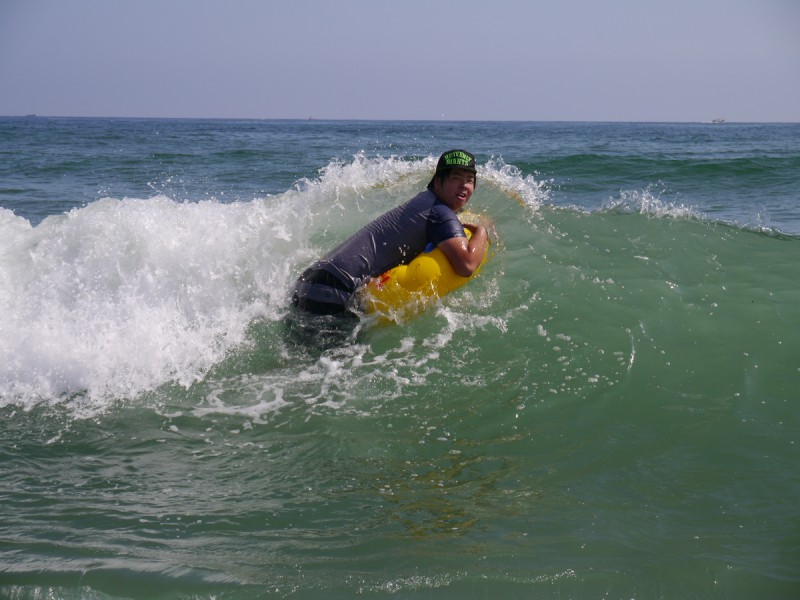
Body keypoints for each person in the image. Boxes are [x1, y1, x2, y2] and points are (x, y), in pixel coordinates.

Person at [292, 149, 490, 316]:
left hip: (312, 280)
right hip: (334, 290)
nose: (464, 185)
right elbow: (466, 264)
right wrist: (482, 231)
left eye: (470, 180)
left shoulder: (424, 202)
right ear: (438, 182)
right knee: (335, 361)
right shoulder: (440, 213)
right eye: (456, 178)